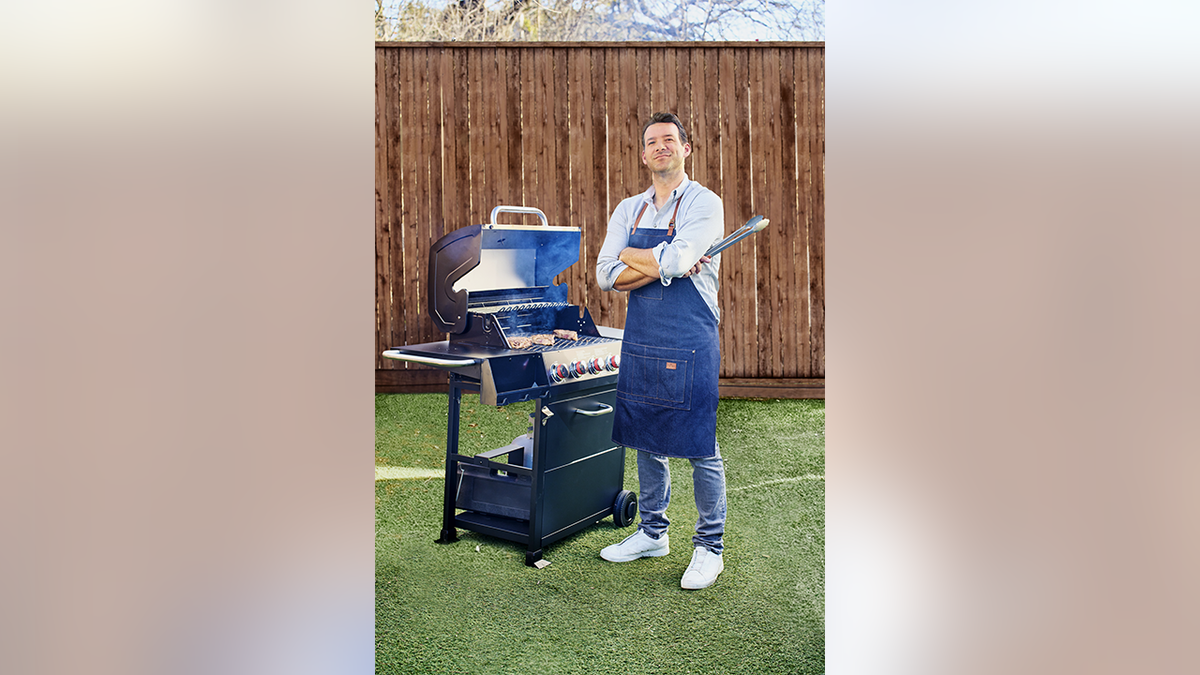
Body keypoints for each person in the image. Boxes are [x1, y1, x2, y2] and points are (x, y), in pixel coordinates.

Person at [595, 112, 727, 590]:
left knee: (699, 445)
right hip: (644, 336)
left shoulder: (704, 203)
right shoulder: (629, 209)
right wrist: (662, 260)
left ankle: (709, 547)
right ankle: (653, 532)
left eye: (669, 140)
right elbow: (604, 274)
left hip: (691, 337)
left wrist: (647, 257)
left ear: (685, 148)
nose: (660, 147)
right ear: (643, 152)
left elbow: (677, 258)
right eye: (652, 142)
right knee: (646, 438)